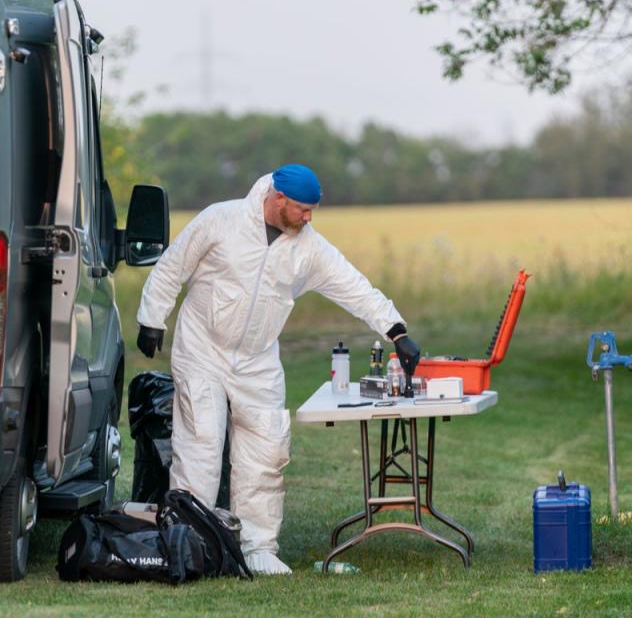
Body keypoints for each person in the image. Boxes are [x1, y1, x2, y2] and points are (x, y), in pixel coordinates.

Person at [135, 164, 420, 575]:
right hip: (202, 350)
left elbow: (354, 286)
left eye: (313, 211)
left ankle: (257, 549)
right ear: (278, 199)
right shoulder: (221, 220)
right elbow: (172, 266)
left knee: (266, 450)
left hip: (258, 359)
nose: (309, 218)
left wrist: (396, 331)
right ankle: (191, 541)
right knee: (201, 445)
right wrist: (152, 318)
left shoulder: (309, 248)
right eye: (303, 209)